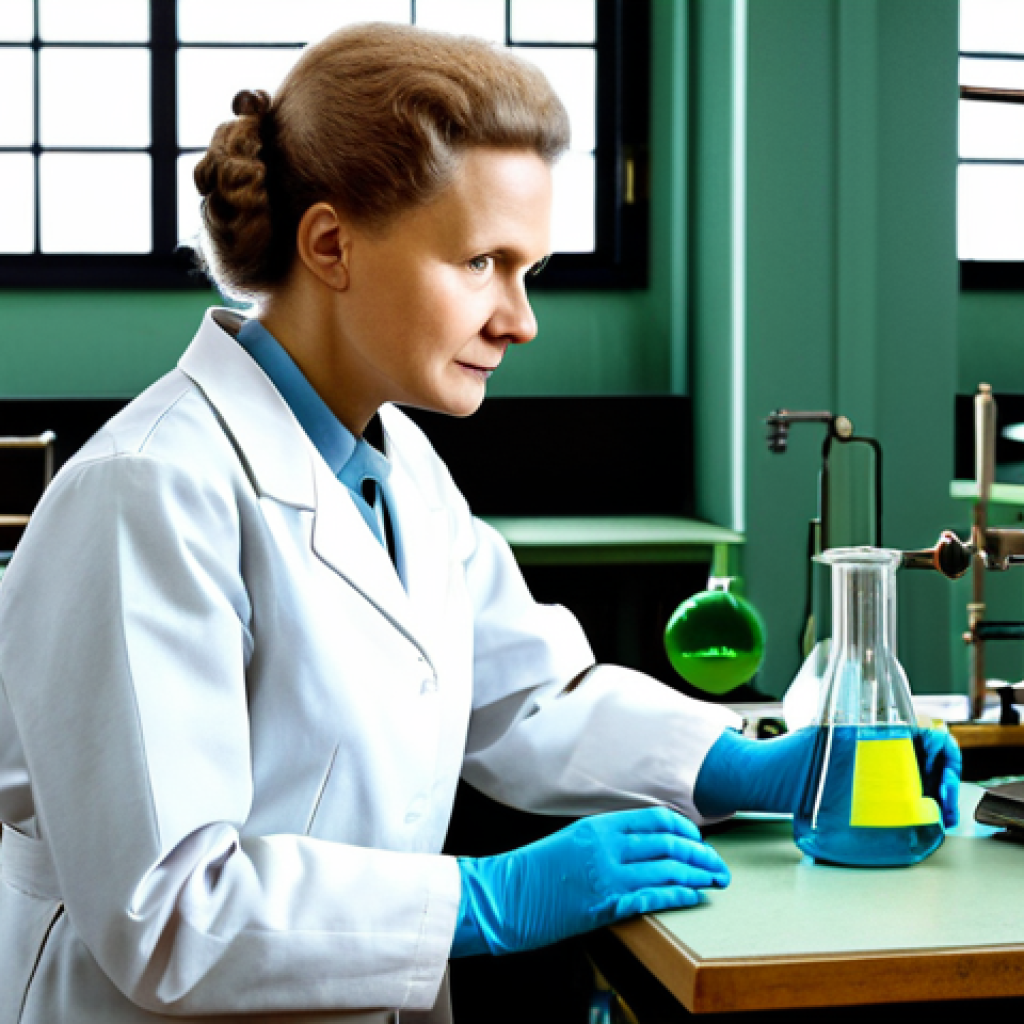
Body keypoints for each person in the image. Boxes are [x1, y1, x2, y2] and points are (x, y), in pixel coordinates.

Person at [0, 22, 960, 1024]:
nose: (520, 317)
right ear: (330, 244)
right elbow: (169, 913)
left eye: (530, 270)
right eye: (480, 263)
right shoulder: (147, 490)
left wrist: (752, 765)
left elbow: (525, 696)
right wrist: (483, 899)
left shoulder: (397, 465)